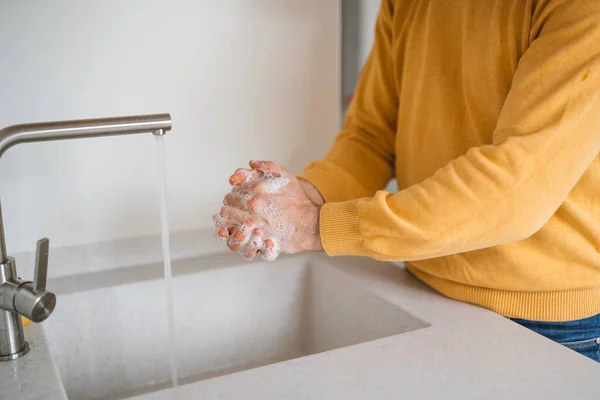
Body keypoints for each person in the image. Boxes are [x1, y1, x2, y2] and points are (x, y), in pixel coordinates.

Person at [216, 0, 600, 362]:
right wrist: (303, 196)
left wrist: (313, 225)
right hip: (421, 289)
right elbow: (372, 136)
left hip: (549, 321)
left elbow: (517, 189)